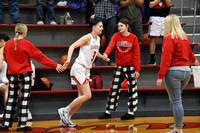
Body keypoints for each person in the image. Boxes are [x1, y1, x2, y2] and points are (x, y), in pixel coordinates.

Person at [0, 23, 63, 132]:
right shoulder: (26, 44)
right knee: (24, 99)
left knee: (11, 99)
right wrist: (55, 65)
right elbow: (40, 57)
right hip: (25, 74)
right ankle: (22, 125)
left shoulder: (8, 44)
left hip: (13, 74)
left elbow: (5, 57)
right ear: (25, 33)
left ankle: (6, 124)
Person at [58, 18, 109, 127]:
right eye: (100, 26)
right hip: (79, 68)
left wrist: (102, 56)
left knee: (81, 96)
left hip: (86, 70)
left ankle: (66, 118)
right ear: (93, 27)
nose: (102, 28)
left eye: (102, 26)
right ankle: (64, 110)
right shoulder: (87, 37)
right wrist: (68, 59)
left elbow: (94, 51)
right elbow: (72, 46)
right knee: (87, 95)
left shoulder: (98, 39)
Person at [157, 14, 200, 133]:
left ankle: (178, 129)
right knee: (175, 100)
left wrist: (160, 76)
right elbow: (190, 53)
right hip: (186, 72)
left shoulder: (169, 38)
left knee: (176, 100)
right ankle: (177, 127)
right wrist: (195, 62)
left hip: (174, 72)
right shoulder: (184, 36)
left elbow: (166, 59)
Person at [98, 18, 140, 120]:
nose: (119, 28)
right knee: (114, 89)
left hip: (130, 67)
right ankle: (108, 111)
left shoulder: (133, 38)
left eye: (121, 26)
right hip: (119, 66)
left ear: (127, 26)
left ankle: (131, 112)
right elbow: (110, 45)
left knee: (132, 90)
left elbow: (136, 55)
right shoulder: (116, 36)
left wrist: (137, 70)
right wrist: (105, 54)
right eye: (118, 26)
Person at [90, 0, 119, 65]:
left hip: (111, 14)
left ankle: (111, 60)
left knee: (111, 38)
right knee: (96, 38)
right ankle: (93, 60)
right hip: (99, 14)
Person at [147, 0, 171, 65]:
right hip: (154, 18)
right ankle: (152, 59)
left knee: (165, 39)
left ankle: (166, 59)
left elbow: (168, 4)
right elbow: (150, 5)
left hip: (165, 18)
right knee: (153, 38)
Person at [0, 33, 9, 118]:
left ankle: (6, 112)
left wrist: (7, 81)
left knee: (7, 87)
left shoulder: (4, 63)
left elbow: (2, 76)